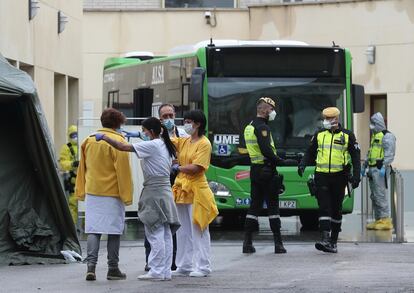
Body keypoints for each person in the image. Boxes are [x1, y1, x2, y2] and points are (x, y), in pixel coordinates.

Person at [97, 117, 180, 281]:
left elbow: (122, 146)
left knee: (154, 231)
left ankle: (156, 271)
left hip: (154, 191)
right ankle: (164, 271)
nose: (143, 133)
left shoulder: (154, 145)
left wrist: (106, 137)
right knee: (165, 234)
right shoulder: (165, 144)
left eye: (144, 131)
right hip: (164, 191)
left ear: (151, 131)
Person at [75, 108, 133, 281]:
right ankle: (112, 268)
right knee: (114, 231)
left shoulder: (89, 140)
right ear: (118, 123)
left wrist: (81, 190)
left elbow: (82, 168)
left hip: (93, 191)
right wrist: (127, 195)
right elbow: (123, 171)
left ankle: (90, 268)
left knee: (94, 229)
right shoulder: (118, 141)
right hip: (113, 193)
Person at [298, 107, 361, 253]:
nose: (325, 121)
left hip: (340, 177)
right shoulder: (319, 134)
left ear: (335, 120)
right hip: (321, 176)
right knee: (324, 207)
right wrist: (302, 164)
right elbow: (310, 152)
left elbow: (356, 157)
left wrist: (356, 176)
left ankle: (333, 241)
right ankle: (325, 238)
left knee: (336, 209)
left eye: (328, 119)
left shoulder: (347, 136)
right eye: (324, 118)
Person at [171, 109, 219, 278]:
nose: (186, 124)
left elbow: (197, 167)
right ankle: (184, 265)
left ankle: (203, 266)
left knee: (198, 228)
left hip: (197, 190)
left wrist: (178, 168)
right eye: (184, 121)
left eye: (189, 121)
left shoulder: (204, 143)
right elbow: (169, 142)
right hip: (183, 189)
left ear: (198, 124)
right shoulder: (186, 141)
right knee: (183, 230)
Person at [243, 97, 293, 255]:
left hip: (255, 170)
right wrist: (282, 161)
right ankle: (278, 244)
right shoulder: (262, 127)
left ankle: (247, 242)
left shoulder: (249, 127)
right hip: (267, 170)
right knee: (273, 207)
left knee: (254, 207)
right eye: (271, 110)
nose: (273, 113)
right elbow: (266, 149)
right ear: (264, 110)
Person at [143, 103, 188, 272]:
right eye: (165, 116)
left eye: (171, 115)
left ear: (175, 115)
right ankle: (150, 260)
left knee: (172, 222)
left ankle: (172, 261)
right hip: (161, 180)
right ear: (159, 118)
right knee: (153, 220)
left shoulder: (183, 134)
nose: (168, 119)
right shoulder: (154, 136)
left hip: (178, 179)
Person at [362, 112, 396, 230]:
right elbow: (371, 152)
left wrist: (383, 165)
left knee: (380, 195)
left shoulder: (387, 136)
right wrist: (364, 164)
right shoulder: (375, 136)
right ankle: (379, 219)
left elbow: (390, 154)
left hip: (379, 169)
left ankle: (385, 220)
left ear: (379, 123)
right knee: (374, 195)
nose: (371, 126)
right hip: (372, 169)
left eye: (374, 123)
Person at [59, 125, 79, 225]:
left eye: (76, 134)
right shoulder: (66, 148)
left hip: (87, 180)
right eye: (72, 135)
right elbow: (63, 163)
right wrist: (72, 164)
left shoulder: (84, 144)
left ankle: (87, 229)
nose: (75, 136)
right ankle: (73, 227)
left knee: (87, 206)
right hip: (74, 180)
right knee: (73, 205)